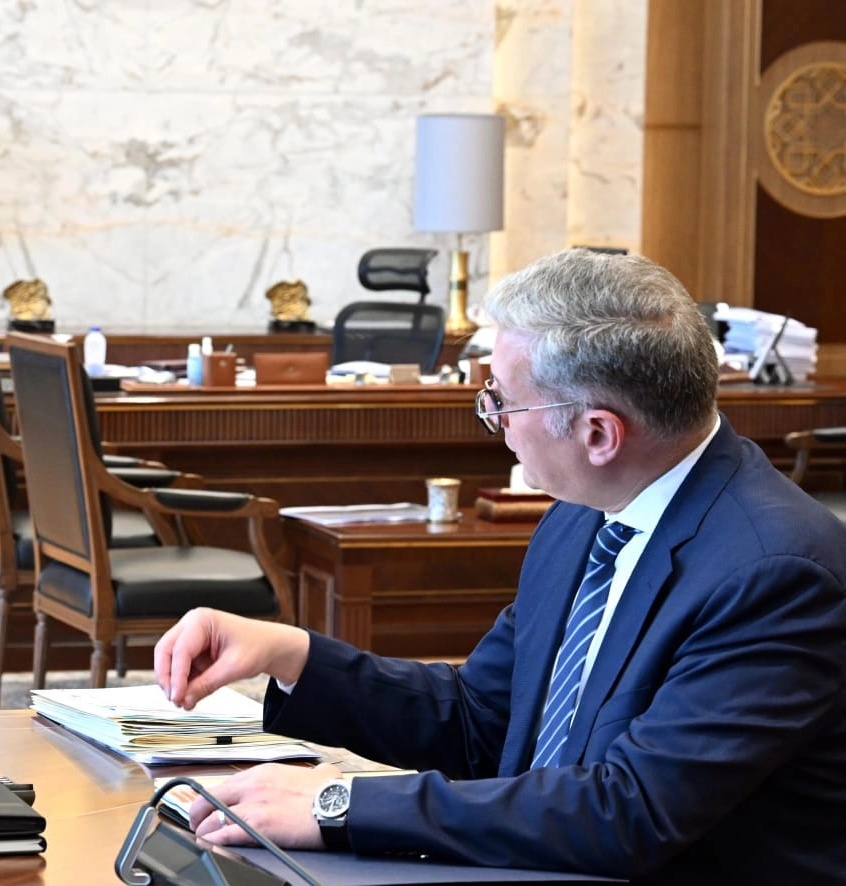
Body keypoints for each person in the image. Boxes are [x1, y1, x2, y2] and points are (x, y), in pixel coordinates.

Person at [154, 249, 846, 884]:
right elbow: (482, 720)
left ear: (597, 433)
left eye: (502, 400)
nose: (492, 418)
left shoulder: (776, 574)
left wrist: (338, 803)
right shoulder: (583, 514)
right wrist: (289, 654)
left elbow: (629, 812)